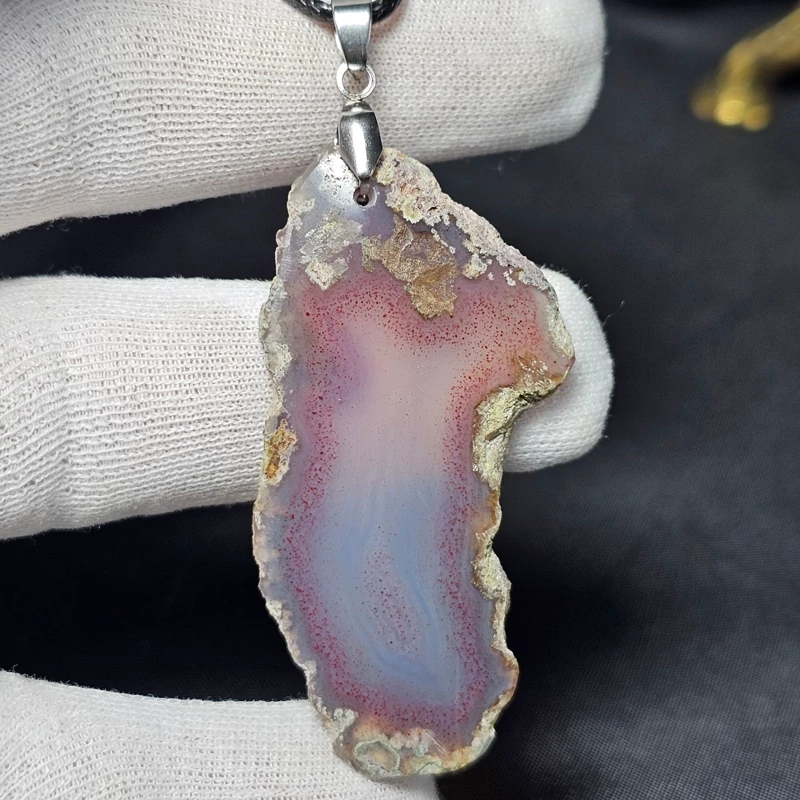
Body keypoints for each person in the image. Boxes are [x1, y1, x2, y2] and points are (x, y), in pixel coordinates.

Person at [0, 0, 611, 797]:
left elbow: (534, 343)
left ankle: (419, 698)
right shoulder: (350, 273)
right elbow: (535, 341)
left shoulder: (423, 278)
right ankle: (406, 698)